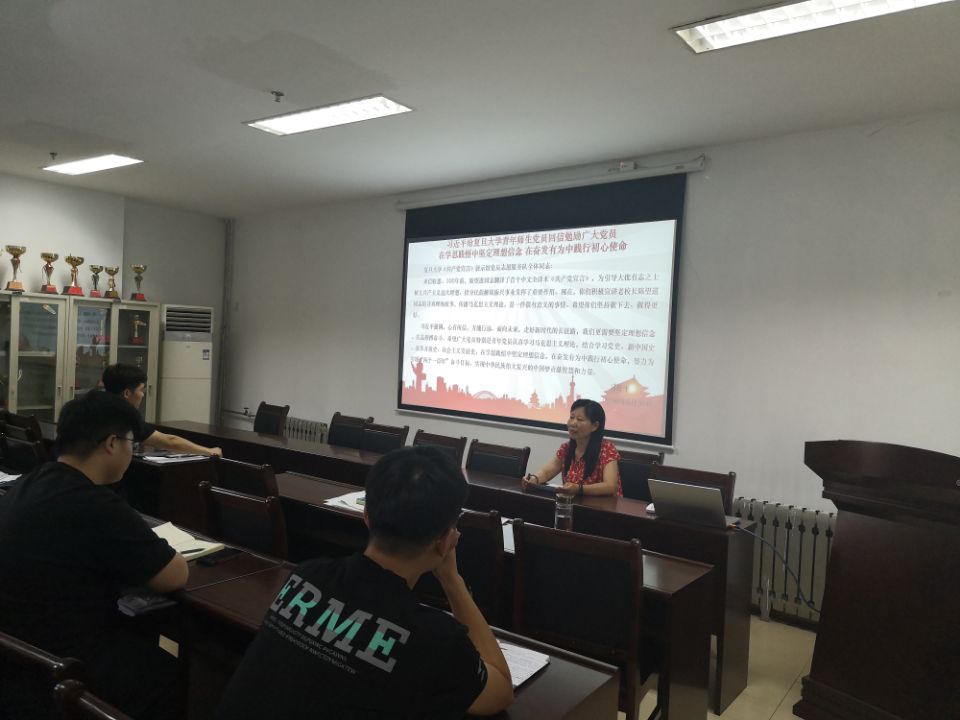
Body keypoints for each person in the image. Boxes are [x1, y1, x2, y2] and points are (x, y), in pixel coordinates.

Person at [216, 446, 514, 719]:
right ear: (446, 537)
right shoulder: (435, 639)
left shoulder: (306, 576)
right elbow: (500, 688)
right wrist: (452, 579)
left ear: (366, 515)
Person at [0, 391, 189, 720]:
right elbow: (174, 575)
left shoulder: (30, 482)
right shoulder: (97, 504)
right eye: (131, 442)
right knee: (173, 672)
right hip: (65, 666)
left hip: (18, 654)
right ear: (112, 443)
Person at [102, 363, 222, 456]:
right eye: (141, 390)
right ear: (127, 393)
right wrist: (209, 451)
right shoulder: (125, 417)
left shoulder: (99, 407)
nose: (143, 395)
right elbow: (170, 442)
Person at [521, 398, 622, 497]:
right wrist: (534, 479)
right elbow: (546, 472)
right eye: (572, 417)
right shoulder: (566, 448)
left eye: (580, 419)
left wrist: (579, 489)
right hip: (573, 503)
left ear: (594, 426)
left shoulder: (607, 449)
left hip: (604, 506)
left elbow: (610, 486)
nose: (573, 423)